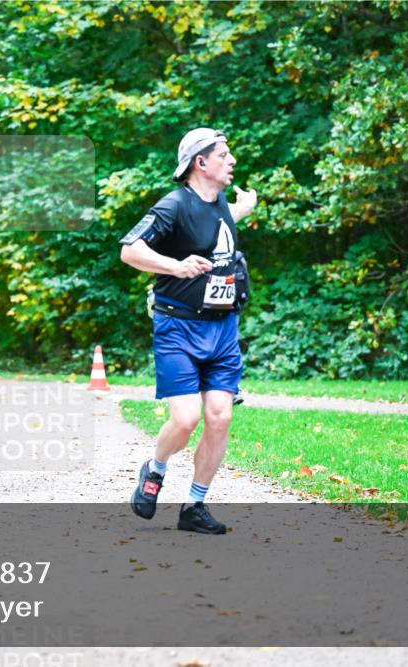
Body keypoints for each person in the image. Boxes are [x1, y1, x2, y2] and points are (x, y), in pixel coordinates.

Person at [119, 127, 257, 534]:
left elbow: (219, 226)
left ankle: (194, 506)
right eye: (224, 154)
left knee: (219, 417)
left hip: (223, 329)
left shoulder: (220, 206)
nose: (232, 160)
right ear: (201, 162)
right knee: (185, 419)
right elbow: (130, 250)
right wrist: (175, 266)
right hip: (177, 326)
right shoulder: (173, 205)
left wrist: (245, 206)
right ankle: (155, 469)